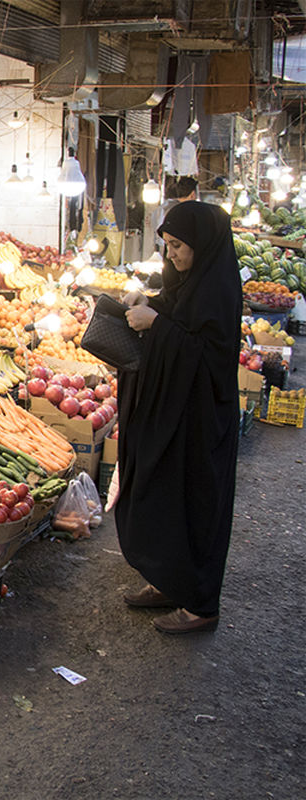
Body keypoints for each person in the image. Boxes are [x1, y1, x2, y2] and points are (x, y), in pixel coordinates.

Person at [115, 201, 241, 634]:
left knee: (195, 505)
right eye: (166, 245)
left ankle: (202, 604)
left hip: (203, 423)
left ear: (201, 246)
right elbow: (175, 312)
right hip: (175, 415)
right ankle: (169, 581)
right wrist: (146, 304)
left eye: (178, 246)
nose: (171, 255)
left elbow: (207, 356)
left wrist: (158, 326)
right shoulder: (188, 281)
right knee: (165, 497)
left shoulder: (219, 291)